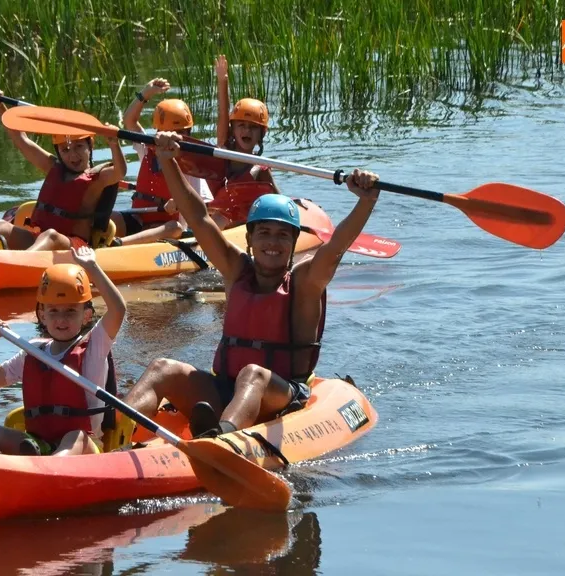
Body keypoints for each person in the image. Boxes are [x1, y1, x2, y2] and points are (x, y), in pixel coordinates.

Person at [122, 131, 381, 438]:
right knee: (161, 368)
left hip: (281, 394)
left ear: (295, 241)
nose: (273, 243)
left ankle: (219, 440)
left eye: (283, 235)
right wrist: (167, 161)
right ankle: (107, 434)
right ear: (249, 239)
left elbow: (337, 245)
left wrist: (367, 200)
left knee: (252, 375)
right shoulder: (236, 270)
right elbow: (197, 216)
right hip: (226, 388)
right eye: (265, 233)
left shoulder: (306, 281)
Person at [0, 245, 127, 455]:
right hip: (38, 443)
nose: (61, 319)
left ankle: (49, 469)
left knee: (75, 436)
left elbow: (118, 308)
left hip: (86, 447)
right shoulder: (33, 350)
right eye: (53, 311)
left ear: (87, 315)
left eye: (71, 311)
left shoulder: (94, 345)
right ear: (43, 316)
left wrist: (92, 266)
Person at [0, 89, 126, 251]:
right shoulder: (53, 166)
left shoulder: (98, 177)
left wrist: (113, 143)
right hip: (38, 239)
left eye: (78, 147)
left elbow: (120, 172)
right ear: (58, 151)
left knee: (51, 235)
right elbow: (21, 139)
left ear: (90, 145)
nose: (72, 156)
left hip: (73, 245)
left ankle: (16, 261)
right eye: (65, 150)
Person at [109, 77, 215, 246]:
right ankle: (90, 243)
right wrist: (146, 93)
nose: (173, 138)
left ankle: (119, 244)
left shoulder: (192, 164)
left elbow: (203, 207)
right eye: (168, 132)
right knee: (109, 217)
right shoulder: (147, 148)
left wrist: (180, 203)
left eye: (180, 133)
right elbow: (129, 121)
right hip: (139, 219)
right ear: (158, 132)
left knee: (175, 227)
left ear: (188, 134)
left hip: (170, 228)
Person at [208, 54, 282, 227]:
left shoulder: (261, 169)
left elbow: (279, 199)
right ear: (233, 130)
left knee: (257, 169)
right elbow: (223, 115)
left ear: (261, 135)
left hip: (243, 223)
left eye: (253, 127)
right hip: (218, 219)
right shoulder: (224, 150)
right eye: (241, 125)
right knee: (221, 217)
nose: (247, 130)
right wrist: (222, 81)